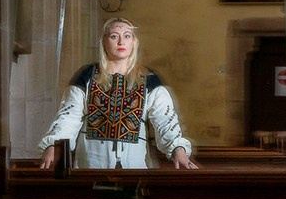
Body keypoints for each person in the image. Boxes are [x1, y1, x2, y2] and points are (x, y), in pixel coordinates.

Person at [39, 17, 199, 170]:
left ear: (134, 42)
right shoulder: (87, 76)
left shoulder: (149, 79)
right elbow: (69, 117)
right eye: (114, 36)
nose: (121, 42)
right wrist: (54, 144)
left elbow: (165, 120)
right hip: (91, 163)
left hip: (133, 164)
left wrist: (178, 148)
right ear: (104, 41)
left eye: (127, 36)